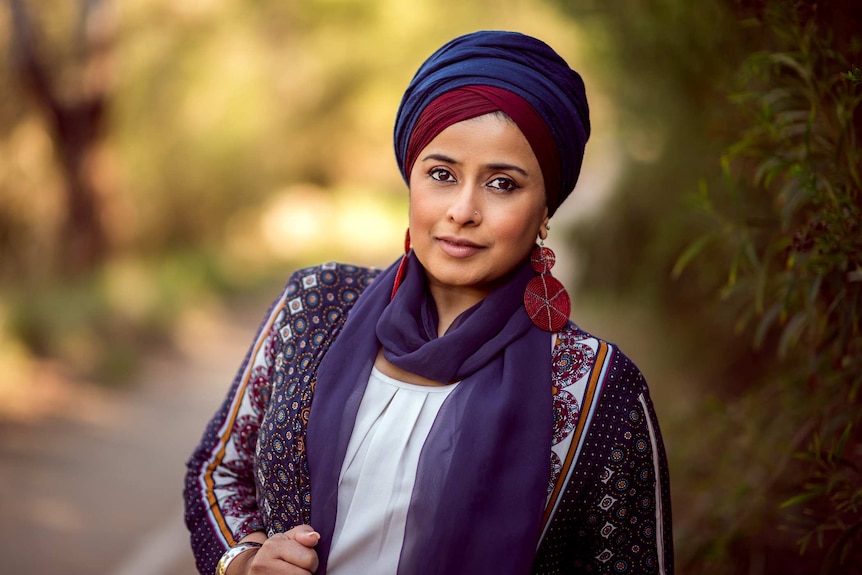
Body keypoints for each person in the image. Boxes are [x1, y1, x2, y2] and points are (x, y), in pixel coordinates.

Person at [184, 30, 673, 575]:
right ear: (411, 179)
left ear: (545, 209)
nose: (463, 210)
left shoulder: (595, 389)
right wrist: (242, 560)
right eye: (442, 175)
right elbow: (218, 469)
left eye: (503, 184)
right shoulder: (314, 305)